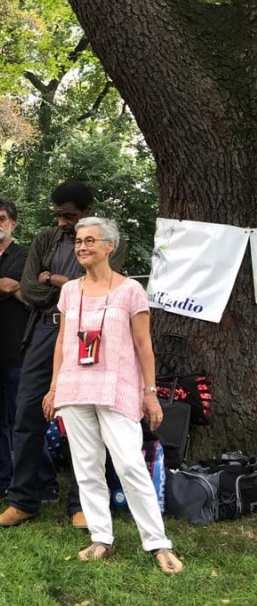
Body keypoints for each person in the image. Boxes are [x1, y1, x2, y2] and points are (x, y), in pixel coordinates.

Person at [44, 218, 182, 573]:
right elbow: (62, 342)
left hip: (117, 387)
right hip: (75, 387)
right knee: (86, 467)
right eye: (78, 240)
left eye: (90, 240)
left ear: (110, 246)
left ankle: (157, 542)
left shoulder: (130, 290)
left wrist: (149, 392)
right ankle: (100, 537)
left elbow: (143, 345)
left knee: (130, 464)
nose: (81, 246)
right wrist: (54, 386)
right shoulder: (69, 291)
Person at [0, 180, 126, 529]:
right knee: (27, 413)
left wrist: (51, 278)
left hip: (88, 332)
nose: (62, 223)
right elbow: (30, 290)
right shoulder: (45, 239)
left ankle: (81, 504)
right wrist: (62, 283)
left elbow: (101, 286)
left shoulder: (108, 239)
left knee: (86, 418)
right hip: (45, 329)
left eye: (69, 216)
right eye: (58, 216)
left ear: (87, 211)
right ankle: (23, 500)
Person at [0, 198, 43, 496]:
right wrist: (6, 286)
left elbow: (12, 285)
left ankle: (41, 480)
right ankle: (2, 479)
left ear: (13, 223)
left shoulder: (24, 254)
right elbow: (5, 287)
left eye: (1, 218)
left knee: (24, 419)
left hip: (18, 349)